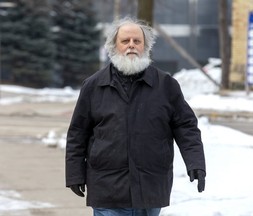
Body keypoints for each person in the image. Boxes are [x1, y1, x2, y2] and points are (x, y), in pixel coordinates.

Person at [65, 16, 206, 216]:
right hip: (107, 188)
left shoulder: (166, 85)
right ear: (113, 46)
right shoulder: (93, 86)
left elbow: (186, 127)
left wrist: (196, 163)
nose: (131, 45)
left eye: (137, 41)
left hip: (150, 188)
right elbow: (78, 133)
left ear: (145, 46)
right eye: (125, 41)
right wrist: (74, 174)